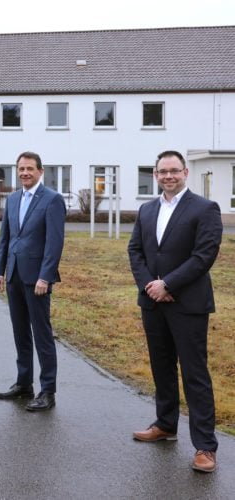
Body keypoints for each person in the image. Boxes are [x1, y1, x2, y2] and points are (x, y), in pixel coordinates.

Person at [128, 150, 222, 473]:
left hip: (188, 304)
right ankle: (166, 424)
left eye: (174, 171)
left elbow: (204, 255)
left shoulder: (205, 208)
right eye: (162, 171)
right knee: (161, 367)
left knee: (194, 374)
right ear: (155, 175)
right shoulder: (146, 210)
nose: (168, 176)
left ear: (185, 172)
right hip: (152, 303)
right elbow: (135, 250)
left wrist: (167, 284)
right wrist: (149, 286)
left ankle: (205, 446)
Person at [0, 151, 65, 411]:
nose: (25, 173)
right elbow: (5, 238)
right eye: (21, 169)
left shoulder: (52, 200)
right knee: (20, 332)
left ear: (40, 171)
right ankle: (24, 384)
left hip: (37, 280)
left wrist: (45, 276)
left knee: (42, 334)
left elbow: (54, 243)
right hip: (13, 275)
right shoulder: (12, 199)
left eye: (30, 169)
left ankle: (48, 390)